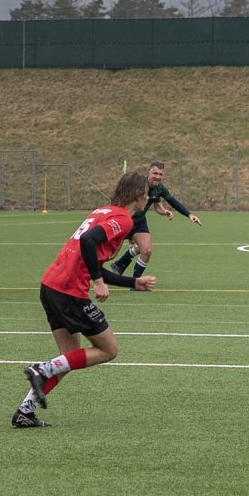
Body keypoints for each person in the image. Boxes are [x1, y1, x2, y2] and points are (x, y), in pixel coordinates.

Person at [14, 172, 157, 428]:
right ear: (138, 193)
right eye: (146, 190)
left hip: (51, 285)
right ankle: (42, 369)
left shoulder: (103, 210)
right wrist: (97, 282)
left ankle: (25, 410)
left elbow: (92, 257)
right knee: (109, 349)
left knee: (69, 357)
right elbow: (88, 242)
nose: (148, 195)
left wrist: (132, 282)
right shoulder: (123, 219)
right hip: (69, 290)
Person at [110, 161, 202, 288]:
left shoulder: (159, 188)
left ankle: (135, 283)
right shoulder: (137, 183)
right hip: (123, 220)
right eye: (155, 173)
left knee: (146, 251)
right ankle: (95, 271)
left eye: (160, 174)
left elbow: (172, 201)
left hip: (139, 222)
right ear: (149, 172)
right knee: (111, 254)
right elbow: (117, 197)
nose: (157, 176)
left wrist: (189, 214)